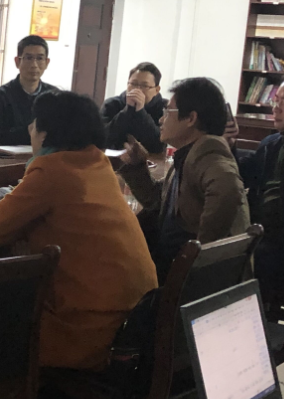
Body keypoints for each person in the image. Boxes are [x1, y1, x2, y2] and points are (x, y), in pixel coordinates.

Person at [0, 91, 157, 370]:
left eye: (35, 122)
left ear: (47, 133)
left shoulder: (52, 171)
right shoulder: (98, 164)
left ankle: (5, 392)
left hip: (89, 331)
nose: (30, 128)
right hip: (137, 322)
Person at [120, 77, 249, 284]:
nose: (161, 120)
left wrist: (199, 254)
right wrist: (137, 166)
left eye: (168, 112)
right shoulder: (188, 154)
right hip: (170, 268)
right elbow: (157, 201)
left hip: (190, 282)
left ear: (191, 118)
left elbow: (229, 190)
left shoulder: (209, 153)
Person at [236, 84, 284, 312]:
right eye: (276, 101)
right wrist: (230, 145)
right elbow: (244, 176)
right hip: (261, 234)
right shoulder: (270, 143)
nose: (277, 108)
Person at [0, 35, 58, 146]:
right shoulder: (0, 96)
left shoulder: (54, 96)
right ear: (17, 61)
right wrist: (28, 131)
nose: (34, 65)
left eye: (39, 58)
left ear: (47, 62)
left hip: (45, 155)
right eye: (28, 58)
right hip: (6, 156)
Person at [102, 62, 167, 153]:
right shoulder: (112, 104)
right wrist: (128, 110)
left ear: (157, 90)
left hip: (153, 159)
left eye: (144, 86)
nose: (137, 89)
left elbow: (159, 145)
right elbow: (102, 138)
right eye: (133, 84)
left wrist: (140, 112)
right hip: (113, 159)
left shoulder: (165, 108)